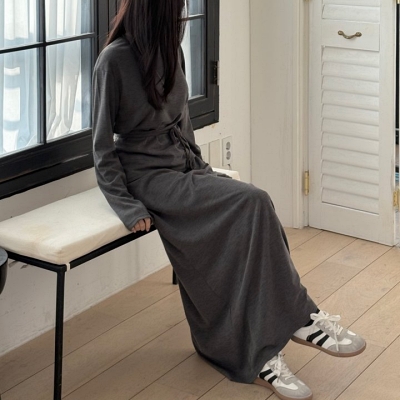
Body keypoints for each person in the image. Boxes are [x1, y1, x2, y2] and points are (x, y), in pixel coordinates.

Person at [92, 1, 366, 399]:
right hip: (146, 178)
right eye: (176, 10)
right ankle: (293, 323)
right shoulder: (113, 61)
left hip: (182, 166)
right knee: (254, 201)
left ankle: (284, 328)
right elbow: (102, 148)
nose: (181, 18)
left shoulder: (170, 50)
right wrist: (127, 206)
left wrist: (201, 169)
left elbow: (182, 120)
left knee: (251, 215)